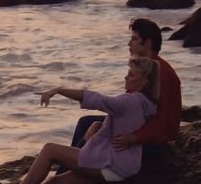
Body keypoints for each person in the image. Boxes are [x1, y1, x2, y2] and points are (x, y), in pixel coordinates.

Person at [0, 56, 160, 184]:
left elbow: (95, 99)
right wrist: (95, 127)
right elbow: (120, 128)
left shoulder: (130, 101)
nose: (126, 78)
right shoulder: (144, 103)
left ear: (144, 82)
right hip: (122, 168)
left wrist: (58, 90)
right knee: (57, 182)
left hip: (112, 166)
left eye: (132, 75)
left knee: (50, 150)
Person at [57, 18, 182, 174]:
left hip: (152, 142)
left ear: (148, 43)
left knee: (92, 129)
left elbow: (162, 120)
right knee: (87, 123)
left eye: (134, 39)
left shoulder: (160, 72)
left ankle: (72, 170)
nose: (129, 44)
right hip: (140, 127)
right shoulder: (145, 67)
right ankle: (69, 169)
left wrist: (134, 137)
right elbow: (128, 107)